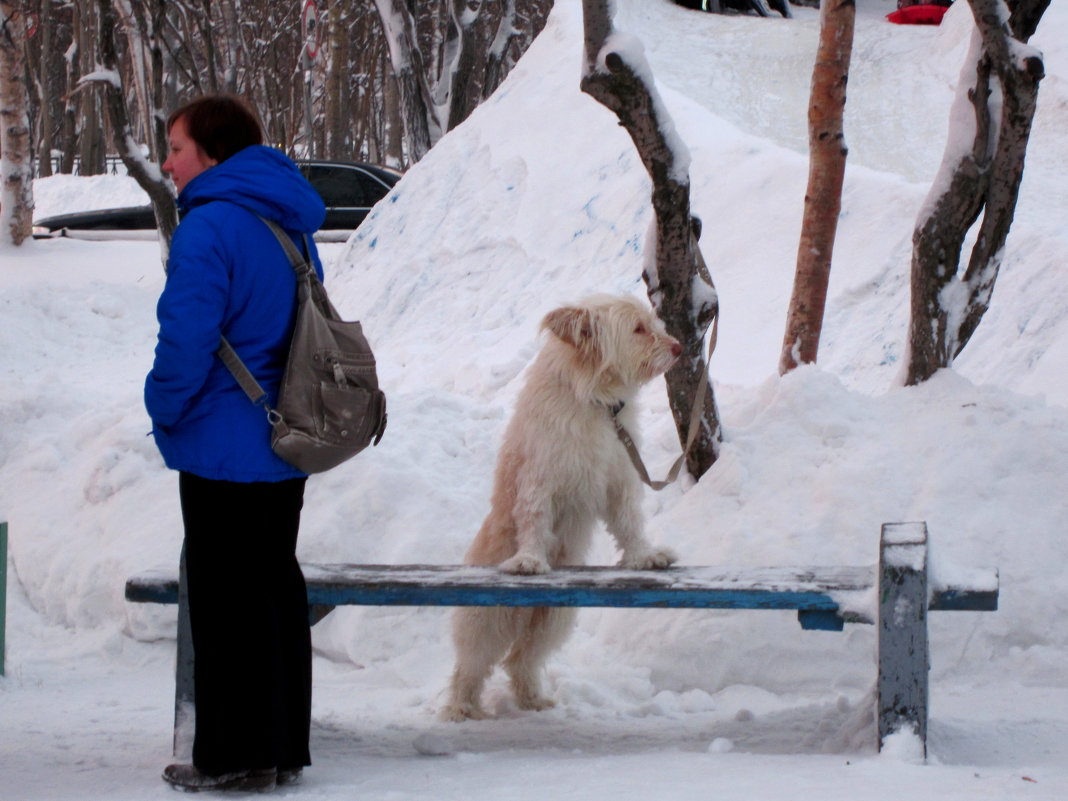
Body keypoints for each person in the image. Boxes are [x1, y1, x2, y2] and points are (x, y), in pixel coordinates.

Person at [144, 94, 326, 793]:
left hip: (224, 441)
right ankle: (279, 746)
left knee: (225, 599)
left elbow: (185, 340)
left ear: (212, 154)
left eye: (177, 148)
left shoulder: (209, 226)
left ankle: (234, 756)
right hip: (287, 435)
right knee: (274, 587)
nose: (168, 162)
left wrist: (163, 407)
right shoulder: (289, 218)